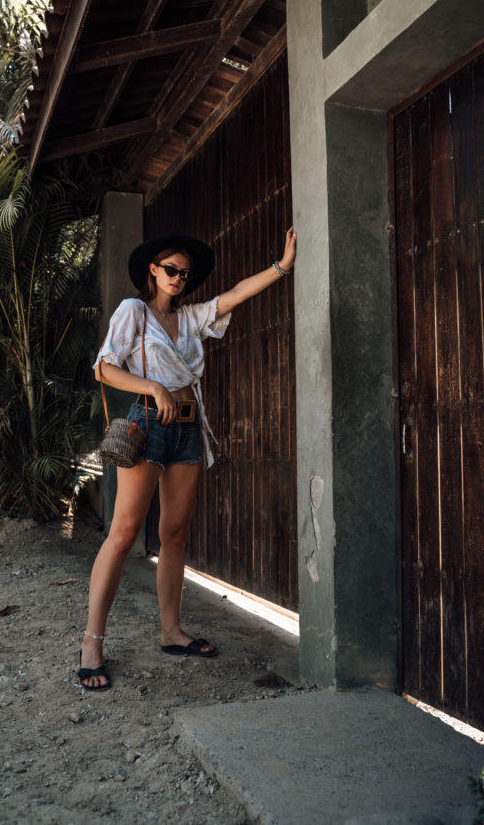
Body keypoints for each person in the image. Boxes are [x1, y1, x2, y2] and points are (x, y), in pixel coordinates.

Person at [78, 227, 297, 689]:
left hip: (189, 429)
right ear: (153, 271)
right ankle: (92, 641)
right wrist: (153, 386)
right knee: (122, 534)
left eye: (185, 273)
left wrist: (282, 266)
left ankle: (172, 632)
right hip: (147, 425)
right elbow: (104, 367)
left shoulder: (193, 317)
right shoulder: (133, 311)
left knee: (174, 533)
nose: (179, 278)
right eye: (171, 270)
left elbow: (235, 295)